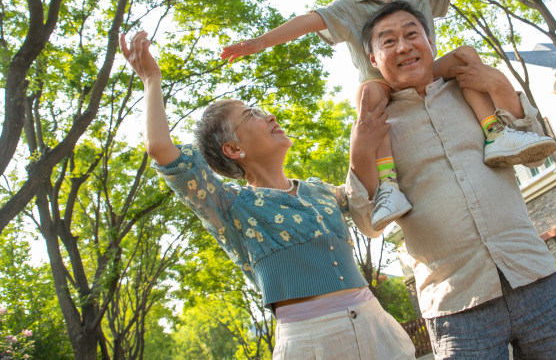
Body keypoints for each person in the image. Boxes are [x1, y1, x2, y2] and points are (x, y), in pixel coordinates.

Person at [220, 0, 556, 231]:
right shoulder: (347, 6)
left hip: (425, 73)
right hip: (381, 83)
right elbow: (307, 22)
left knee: (466, 56)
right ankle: (389, 184)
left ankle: (496, 133)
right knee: (368, 95)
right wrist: (260, 42)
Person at [120, 31, 415, 360]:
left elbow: (369, 212)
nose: (270, 115)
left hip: (376, 326)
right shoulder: (230, 206)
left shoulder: (320, 191)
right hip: (309, 343)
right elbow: (161, 149)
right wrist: (151, 78)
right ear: (233, 149)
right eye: (251, 115)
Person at [347, 1, 556, 360]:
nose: (403, 46)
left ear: (429, 41)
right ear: (372, 59)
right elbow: (368, 225)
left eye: (412, 34)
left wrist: (499, 83)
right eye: (388, 41)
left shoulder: (471, 89)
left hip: (534, 280)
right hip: (457, 306)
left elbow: (538, 152)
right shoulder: (374, 127)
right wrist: (359, 155)